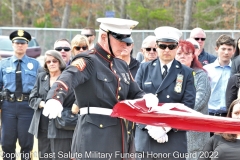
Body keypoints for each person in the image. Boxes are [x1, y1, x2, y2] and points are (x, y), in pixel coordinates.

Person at [42, 17, 158, 160]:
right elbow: (68, 77)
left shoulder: (121, 65)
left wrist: (146, 98)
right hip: (94, 136)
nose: (125, 45)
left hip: (121, 135)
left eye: (127, 41)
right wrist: (55, 98)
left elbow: (135, 92)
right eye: (120, 40)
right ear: (104, 37)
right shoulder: (88, 60)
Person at [135, 26, 196, 160]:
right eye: (162, 46)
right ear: (156, 46)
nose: (167, 50)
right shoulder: (144, 68)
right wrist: (150, 125)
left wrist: (165, 127)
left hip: (173, 137)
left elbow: (188, 105)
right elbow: (135, 99)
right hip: (147, 137)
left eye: (171, 46)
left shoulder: (186, 72)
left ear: (177, 47)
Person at [0, 30, 40, 160]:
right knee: (7, 142)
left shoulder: (35, 65)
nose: (20, 45)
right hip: (8, 106)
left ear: (27, 45)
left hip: (27, 107)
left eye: (23, 43)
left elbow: (40, 86)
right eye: (17, 43)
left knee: (26, 142)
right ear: (12, 44)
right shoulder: (3, 64)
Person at [28, 50, 76, 160]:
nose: (51, 64)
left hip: (62, 125)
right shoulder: (41, 77)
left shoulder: (67, 78)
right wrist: (42, 104)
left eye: (54, 61)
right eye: (48, 62)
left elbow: (75, 99)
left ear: (60, 62)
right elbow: (32, 98)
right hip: (43, 126)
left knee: (62, 157)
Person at [175, 40, 211, 160]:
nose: (182, 57)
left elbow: (200, 100)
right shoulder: (170, 76)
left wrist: (177, 111)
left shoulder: (200, 75)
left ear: (193, 56)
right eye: (179, 53)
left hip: (196, 133)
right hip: (174, 131)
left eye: (187, 54)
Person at [204, 35, 235, 118]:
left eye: (229, 49)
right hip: (209, 114)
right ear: (216, 49)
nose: (226, 52)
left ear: (234, 51)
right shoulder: (206, 70)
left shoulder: (236, 71)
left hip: (229, 115)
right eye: (223, 49)